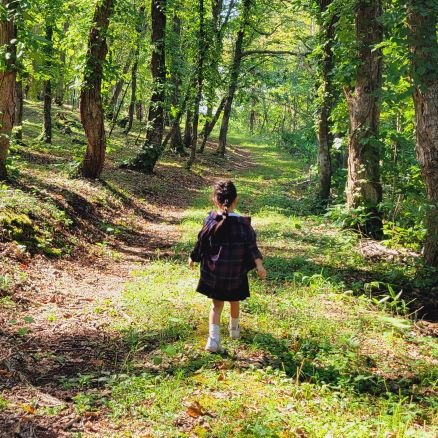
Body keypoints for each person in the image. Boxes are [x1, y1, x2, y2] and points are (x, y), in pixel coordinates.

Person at [189, 180, 266, 353]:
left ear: (215, 199)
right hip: (235, 273)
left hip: (215, 273)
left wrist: (193, 257)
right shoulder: (243, 224)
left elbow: (200, 242)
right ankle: (234, 331)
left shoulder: (211, 219)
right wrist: (259, 265)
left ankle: (213, 340)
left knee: (216, 306)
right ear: (236, 199)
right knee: (234, 300)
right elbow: (252, 247)